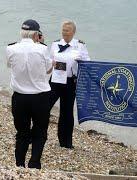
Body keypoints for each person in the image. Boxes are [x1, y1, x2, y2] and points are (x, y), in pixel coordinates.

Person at [6, 19, 54, 169]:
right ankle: (34, 163)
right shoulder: (42, 49)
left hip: (19, 97)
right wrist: (41, 45)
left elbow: (10, 65)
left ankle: (19, 164)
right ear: (36, 34)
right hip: (40, 97)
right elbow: (48, 70)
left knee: (22, 132)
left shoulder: (10, 48)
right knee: (40, 131)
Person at [49, 20, 90, 149]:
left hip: (69, 82)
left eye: (67, 30)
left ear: (73, 32)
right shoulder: (55, 44)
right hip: (55, 81)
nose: (64, 32)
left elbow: (88, 63)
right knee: (44, 107)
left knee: (66, 113)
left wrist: (79, 61)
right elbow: (48, 60)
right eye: (63, 30)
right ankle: (36, 136)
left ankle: (66, 142)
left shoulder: (80, 45)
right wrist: (52, 63)